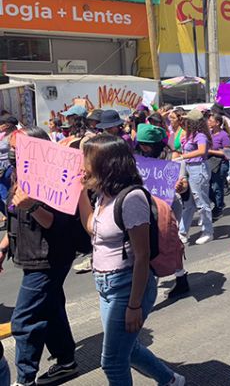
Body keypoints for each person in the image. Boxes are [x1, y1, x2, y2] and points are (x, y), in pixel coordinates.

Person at [77, 134, 185, 386]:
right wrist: (81, 192)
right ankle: (170, 379)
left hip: (127, 286)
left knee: (113, 361)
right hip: (106, 286)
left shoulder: (132, 198)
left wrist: (134, 305)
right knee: (129, 348)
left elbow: (142, 256)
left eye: (87, 158)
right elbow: (92, 227)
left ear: (106, 164)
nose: (82, 165)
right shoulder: (104, 195)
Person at [1, 128, 83, 386]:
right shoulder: (18, 173)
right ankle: (66, 361)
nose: (13, 153)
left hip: (48, 257)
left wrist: (33, 206)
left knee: (24, 320)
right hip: (28, 252)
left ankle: (25, 380)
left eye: (18, 148)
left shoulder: (56, 177)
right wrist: (4, 244)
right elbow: (15, 216)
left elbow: (55, 224)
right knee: (51, 307)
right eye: (11, 148)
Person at [135, 123, 191, 298]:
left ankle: (181, 279)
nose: (143, 148)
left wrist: (181, 186)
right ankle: (151, 283)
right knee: (150, 244)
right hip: (146, 206)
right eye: (141, 144)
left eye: (147, 145)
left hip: (169, 207)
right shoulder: (138, 159)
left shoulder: (173, 158)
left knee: (170, 243)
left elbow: (185, 187)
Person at [177, 109, 214, 245]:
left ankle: (208, 231)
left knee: (201, 202)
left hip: (198, 168)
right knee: (188, 203)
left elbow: (202, 150)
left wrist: (183, 156)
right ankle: (182, 232)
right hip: (188, 168)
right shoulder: (189, 135)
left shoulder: (200, 136)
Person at [207, 113, 230, 219]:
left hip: (220, 163)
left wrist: (211, 151)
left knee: (217, 186)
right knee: (208, 187)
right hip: (210, 162)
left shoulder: (223, 135)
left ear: (217, 123)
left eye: (211, 120)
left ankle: (218, 207)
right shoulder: (209, 134)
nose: (208, 122)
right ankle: (217, 202)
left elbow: (227, 152)